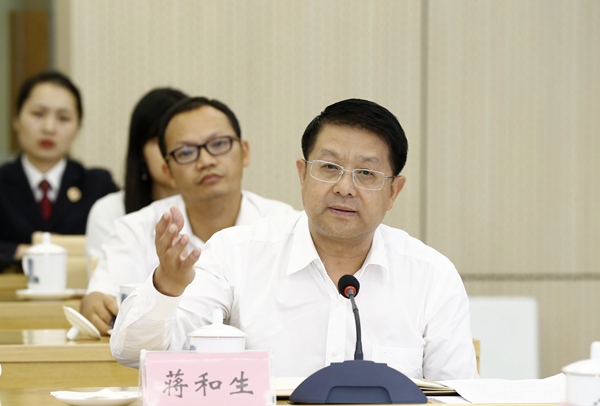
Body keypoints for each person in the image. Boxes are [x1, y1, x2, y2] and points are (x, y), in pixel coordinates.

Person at [110, 98, 479, 381]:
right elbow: (132, 352)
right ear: (303, 174)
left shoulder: (431, 277)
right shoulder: (235, 254)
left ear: (394, 191)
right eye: (329, 167)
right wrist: (167, 287)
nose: (344, 187)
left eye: (366, 173)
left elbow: (457, 394)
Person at [81, 96, 296, 335]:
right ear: (168, 172)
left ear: (244, 152)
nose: (206, 161)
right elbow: (99, 299)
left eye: (219, 144)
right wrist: (97, 308)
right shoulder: (135, 229)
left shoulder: (285, 225)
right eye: (186, 152)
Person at [0, 70, 118, 273]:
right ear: (16, 119)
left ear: (78, 126)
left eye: (63, 118)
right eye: (38, 114)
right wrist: (16, 251)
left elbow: (121, 242)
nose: (49, 128)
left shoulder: (97, 186)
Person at [85, 88, 187, 261]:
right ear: (141, 153)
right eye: (160, 142)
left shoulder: (215, 208)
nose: (171, 152)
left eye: (182, 142)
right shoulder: (109, 212)